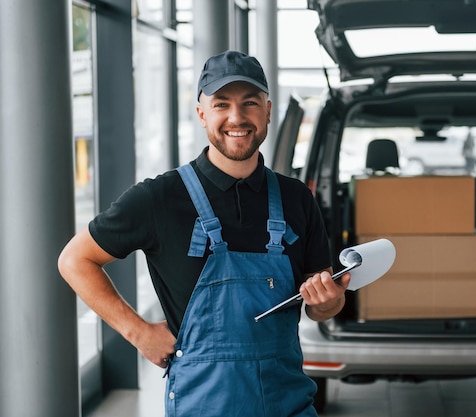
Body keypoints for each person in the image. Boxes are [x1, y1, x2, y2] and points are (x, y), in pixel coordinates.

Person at [58, 50, 350, 417]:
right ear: (201, 114)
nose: (237, 117)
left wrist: (328, 302)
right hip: (204, 406)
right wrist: (138, 332)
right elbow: (75, 259)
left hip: (288, 403)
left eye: (250, 103)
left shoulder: (296, 199)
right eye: (221, 104)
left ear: (268, 111)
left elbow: (323, 304)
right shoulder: (159, 198)